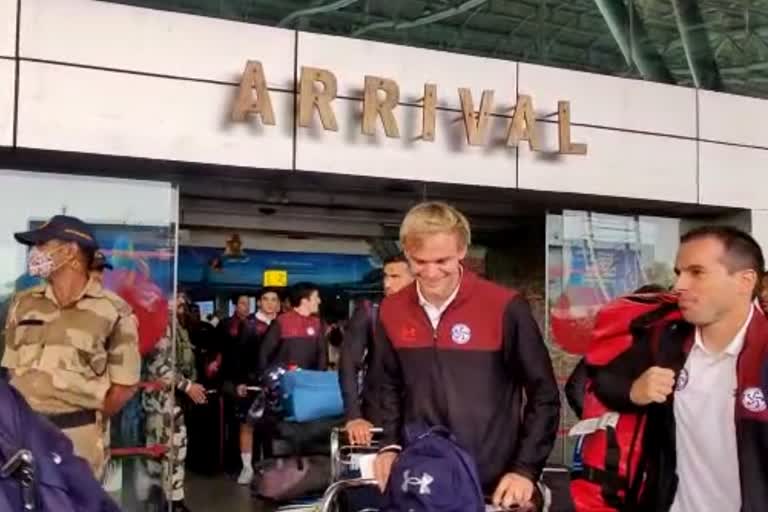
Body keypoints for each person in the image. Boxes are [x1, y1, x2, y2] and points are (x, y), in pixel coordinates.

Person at [368, 202, 560, 509]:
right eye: (420, 261)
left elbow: (544, 394)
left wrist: (525, 469)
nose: (431, 273)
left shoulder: (504, 306)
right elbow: (387, 384)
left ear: (462, 250)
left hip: (491, 482)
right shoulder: (391, 310)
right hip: (422, 477)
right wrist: (389, 445)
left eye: (442, 260)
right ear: (406, 252)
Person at [590, 226, 768, 512]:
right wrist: (634, 391)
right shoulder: (666, 339)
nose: (678, 287)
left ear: (745, 281)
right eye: (678, 273)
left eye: (697, 272)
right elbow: (604, 381)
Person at [2, 215, 141, 479]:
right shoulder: (23, 304)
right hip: (21, 437)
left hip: (78, 442)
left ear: (70, 251)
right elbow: (10, 368)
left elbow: (124, 386)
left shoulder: (114, 311)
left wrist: (86, 418)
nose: (36, 252)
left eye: (43, 244)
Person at [341, 254, 414, 445]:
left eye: (395, 277)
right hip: (378, 411)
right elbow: (348, 364)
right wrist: (354, 416)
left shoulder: (430, 313)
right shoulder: (370, 310)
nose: (387, 284)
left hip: (420, 412)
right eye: (385, 276)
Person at [143, 293, 206, 512]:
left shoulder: (174, 324)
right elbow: (158, 366)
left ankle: (166, 500)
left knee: (166, 452)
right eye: (178, 298)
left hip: (167, 400)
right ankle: (172, 502)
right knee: (171, 451)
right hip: (163, 402)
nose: (183, 303)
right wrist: (187, 386)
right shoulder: (162, 323)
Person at [234, 288, 281, 485]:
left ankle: (275, 469)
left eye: (274, 300)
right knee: (247, 424)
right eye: (266, 299)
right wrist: (240, 381)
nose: (270, 303)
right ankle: (247, 468)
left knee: (275, 427)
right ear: (259, 302)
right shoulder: (249, 325)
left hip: (278, 382)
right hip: (252, 381)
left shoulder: (284, 324)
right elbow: (240, 356)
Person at [259, 283, 326, 372]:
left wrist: (318, 378)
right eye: (316, 297)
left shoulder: (317, 323)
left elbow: (322, 355)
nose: (319, 301)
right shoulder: (282, 321)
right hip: (284, 381)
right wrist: (265, 378)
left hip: (308, 380)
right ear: (304, 301)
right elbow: (264, 353)